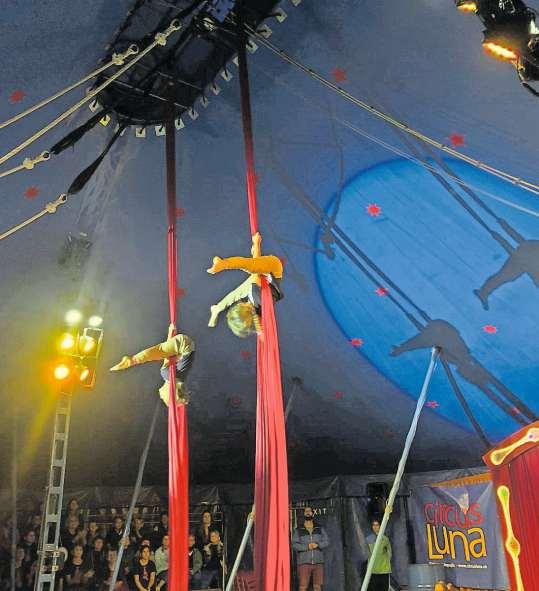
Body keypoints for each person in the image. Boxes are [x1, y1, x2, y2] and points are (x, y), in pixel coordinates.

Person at [207, 232, 284, 338]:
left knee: (236, 293)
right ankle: (224, 264)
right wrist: (256, 245)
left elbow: (256, 271)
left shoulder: (257, 313)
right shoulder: (256, 297)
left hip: (262, 282)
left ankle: (216, 308)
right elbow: (255, 270)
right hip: (274, 269)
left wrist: (260, 332)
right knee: (252, 267)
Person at [110, 325, 195, 407]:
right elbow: (165, 354)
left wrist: (171, 333)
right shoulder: (168, 376)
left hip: (187, 346)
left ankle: (132, 360)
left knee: (160, 352)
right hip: (184, 345)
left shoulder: (176, 377)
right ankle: (132, 360)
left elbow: (168, 356)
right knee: (158, 350)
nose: (161, 397)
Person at [292, 507, 329, 591]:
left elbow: (327, 541)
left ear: (313, 513)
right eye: (306, 511)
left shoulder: (319, 528)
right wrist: (307, 547)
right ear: (304, 514)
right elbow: (294, 545)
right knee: (303, 586)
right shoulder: (298, 529)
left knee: (317, 586)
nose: (308, 512)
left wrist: (318, 545)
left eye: (309, 511)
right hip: (304, 563)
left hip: (318, 562)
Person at [365, 520, 392, 591]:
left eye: (377, 525)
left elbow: (389, 553)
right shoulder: (368, 539)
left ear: (380, 526)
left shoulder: (385, 539)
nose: (375, 527)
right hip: (373, 570)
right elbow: (366, 553)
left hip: (384, 571)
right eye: (373, 525)